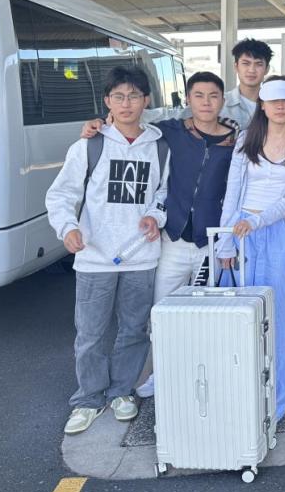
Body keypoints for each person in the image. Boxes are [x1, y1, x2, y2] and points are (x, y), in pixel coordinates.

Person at [79, 71, 239, 397]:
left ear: (223, 100)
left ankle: (203, 373)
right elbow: (132, 118)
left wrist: (229, 242)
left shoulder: (237, 140)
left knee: (207, 313)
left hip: (211, 242)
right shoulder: (170, 131)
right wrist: (99, 122)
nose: (206, 102)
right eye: (198, 95)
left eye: (213, 96)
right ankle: (161, 373)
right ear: (188, 100)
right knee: (162, 313)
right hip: (173, 240)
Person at [45, 66, 170, 435]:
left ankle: (121, 391)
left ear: (146, 100)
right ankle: (88, 399)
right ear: (107, 102)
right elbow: (61, 194)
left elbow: (164, 193)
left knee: (134, 329)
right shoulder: (89, 145)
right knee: (91, 334)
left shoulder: (160, 147)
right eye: (119, 97)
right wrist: (67, 228)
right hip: (94, 256)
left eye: (134, 96)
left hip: (141, 256)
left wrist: (154, 216)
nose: (126, 104)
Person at [216, 76, 285, 421]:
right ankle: (237, 386)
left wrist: (258, 221)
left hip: (281, 232)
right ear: (262, 104)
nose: (280, 106)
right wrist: (225, 241)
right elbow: (232, 192)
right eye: (273, 100)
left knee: (282, 311)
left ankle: (276, 393)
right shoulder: (247, 139)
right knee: (240, 308)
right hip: (242, 231)